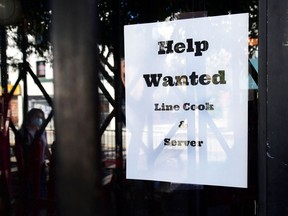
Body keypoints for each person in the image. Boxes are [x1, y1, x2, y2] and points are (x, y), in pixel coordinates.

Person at [20, 108, 51, 214]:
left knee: (41, 189)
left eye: (41, 117)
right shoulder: (24, 132)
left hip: (41, 165)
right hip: (29, 166)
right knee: (31, 190)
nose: (39, 119)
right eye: (37, 117)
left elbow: (45, 147)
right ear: (30, 118)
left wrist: (50, 159)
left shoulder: (41, 131)